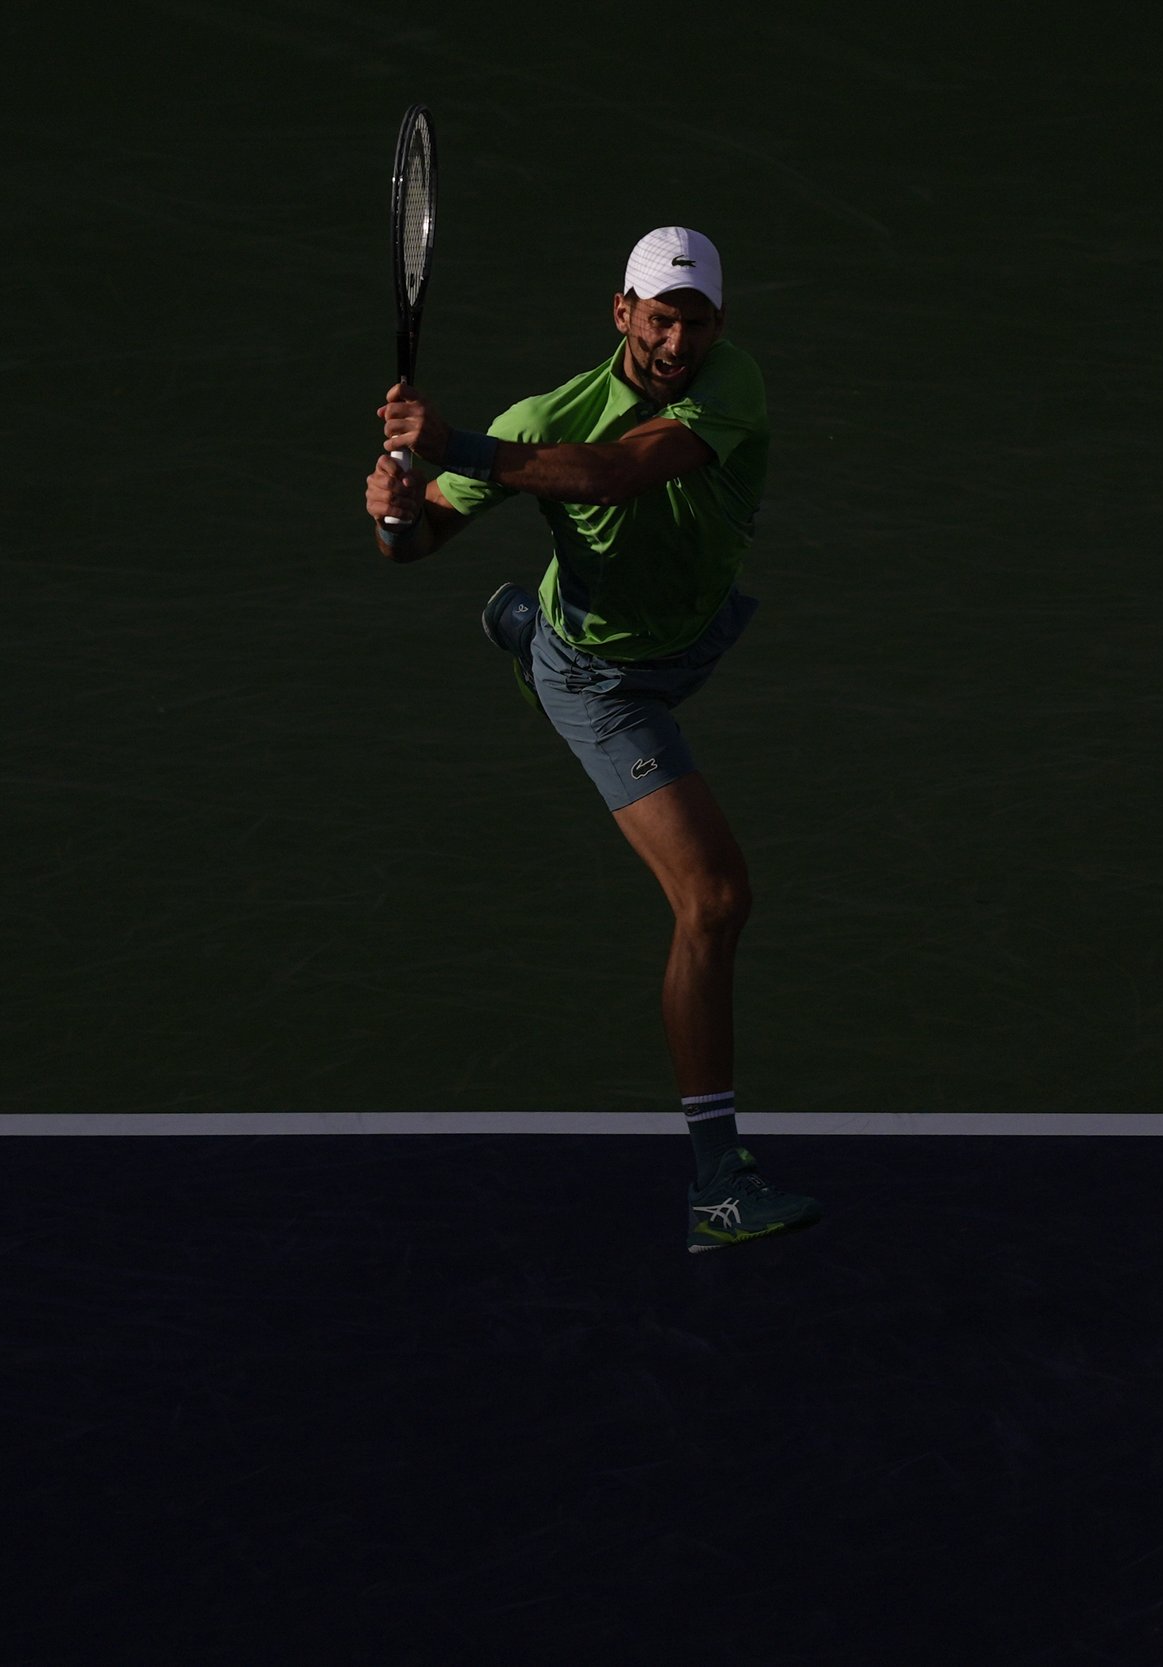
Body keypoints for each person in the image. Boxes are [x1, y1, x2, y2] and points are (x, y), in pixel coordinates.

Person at [362, 225, 824, 1254]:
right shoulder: (542, 419)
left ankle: (521, 627)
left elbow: (618, 472)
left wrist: (457, 446)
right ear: (620, 312)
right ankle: (715, 1181)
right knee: (714, 898)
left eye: (694, 321)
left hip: (694, 636)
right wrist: (396, 512)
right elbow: (420, 536)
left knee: (600, 542)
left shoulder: (730, 385)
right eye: (657, 317)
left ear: (719, 326)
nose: (675, 340)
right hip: (610, 683)